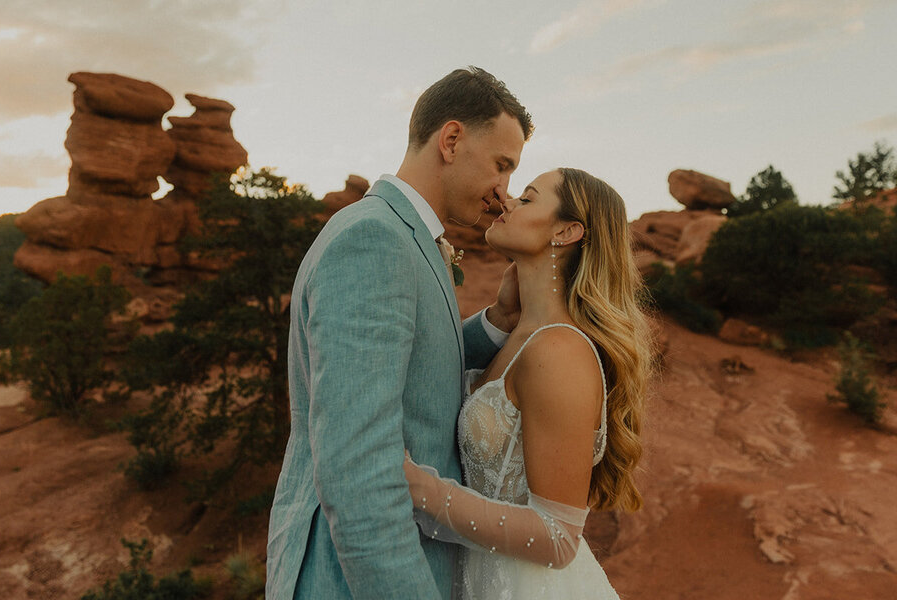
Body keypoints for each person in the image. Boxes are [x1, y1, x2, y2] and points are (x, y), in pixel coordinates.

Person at [265, 67, 533, 600]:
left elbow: (414, 366)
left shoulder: (401, 235)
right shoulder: (375, 240)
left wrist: (498, 321)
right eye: (502, 165)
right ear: (451, 140)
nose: (503, 191)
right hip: (350, 580)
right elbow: (360, 472)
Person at [403, 168, 656, 599]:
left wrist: (421, 488)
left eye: (528, 198)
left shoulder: (558, 351)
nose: (507, 201)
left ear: (566, 231)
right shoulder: (520, 334)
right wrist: (499, 317)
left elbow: (558, 537)